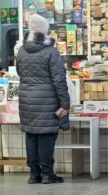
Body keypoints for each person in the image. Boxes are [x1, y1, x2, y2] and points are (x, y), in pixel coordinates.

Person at [17, 14, 70, 184]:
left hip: (26, 100)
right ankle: (47, 174)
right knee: (46, 137)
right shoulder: (51, 51)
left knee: (31, 136)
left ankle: (34, 174)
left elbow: (19, 72)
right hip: (47, 101)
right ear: (44, 31)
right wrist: (65, 103)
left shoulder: (21, 50)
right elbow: (59, 80)